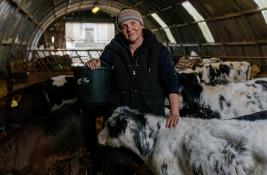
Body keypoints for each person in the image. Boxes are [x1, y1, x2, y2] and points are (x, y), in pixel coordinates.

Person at [85, 8, 180, 175]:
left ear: (141, 25)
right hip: (120, 120)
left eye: (133, 23)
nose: (130, 29)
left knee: (154, 163)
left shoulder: (159, 51)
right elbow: (101, 70)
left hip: (149, 119)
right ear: (120, 30)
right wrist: (94, 63)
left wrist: (174, 112)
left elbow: (171, 84)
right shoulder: (112, 50)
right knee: (120, 165)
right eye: (124, 26)